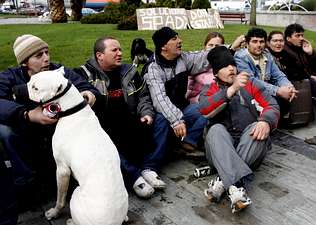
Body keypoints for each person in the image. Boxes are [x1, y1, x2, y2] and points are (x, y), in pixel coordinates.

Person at [0, 34, 98, 222]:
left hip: (62, 134)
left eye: (47, 52)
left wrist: (89, 93)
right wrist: (27, 115)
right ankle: (26, 182)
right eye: (38, 55)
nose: (46, 58)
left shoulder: (59, 71)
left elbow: (84, 86)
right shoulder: (9, 77)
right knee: (4, 130)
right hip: (26, 132)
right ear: (24, 63)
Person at [73, 36, 166, 198]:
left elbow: (143, 96)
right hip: (102, 126)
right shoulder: (84, 75)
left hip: (130, 120)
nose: (120, 53)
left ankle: (149, 168)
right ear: (99, 55)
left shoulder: (129, 71)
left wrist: (146, 113)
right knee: (101, 139)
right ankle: (134, 177)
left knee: (162, 120)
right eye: (114, 50)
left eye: (120, 49)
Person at [199, 46, 280, 213]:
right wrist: (232, 90)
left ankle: (224, 181)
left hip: (250, 148)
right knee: (215, 130)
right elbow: (204, 109)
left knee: (257, 127)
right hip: (218, 150)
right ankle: (237, 186)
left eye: (232, 64)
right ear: (215, 73)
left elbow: (272, 105)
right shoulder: (209, 89)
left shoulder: (250, 83)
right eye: (224, 66)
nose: (231, 68)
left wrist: (266, 121)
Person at [143, 26, 208, 157]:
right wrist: (176, 120)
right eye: (174, 38)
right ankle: (155, 161)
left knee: (208, 107)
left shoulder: (182, 58)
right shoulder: (153, 68)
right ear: (163, 46)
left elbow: (203, 56)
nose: (180, 40)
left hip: (182, 109)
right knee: (162, 121)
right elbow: (159, 100)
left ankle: (188, 143)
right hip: (159, 114)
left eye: (178, 37)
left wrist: (230, 49)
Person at [234, 27, 297, 102]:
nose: (259, 45)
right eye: (254, 41)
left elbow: (278, 75)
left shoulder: (266, 54)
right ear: (247, 43)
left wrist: (289, 87)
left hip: (265, 93)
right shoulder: (241, 57)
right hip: (248, 97)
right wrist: (277, 91)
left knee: (291, 96)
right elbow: (252, 82)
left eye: (261, 42)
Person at [186, 32, 245, 103]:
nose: (213, 48)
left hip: (225, 99)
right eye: (210, 45)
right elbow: (189, 90)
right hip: (200, 102)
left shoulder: (229, 64)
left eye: (217, 46)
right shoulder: (197, 64)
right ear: (205, 46)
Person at [281, 23, 316, 97]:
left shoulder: (302, 49)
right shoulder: (285, 51)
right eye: (297, 36)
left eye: (302, 35)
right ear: (288, 38)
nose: (301, 38)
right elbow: (293, 73)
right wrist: (310, 76)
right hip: (300, 84)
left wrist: (311, 53)